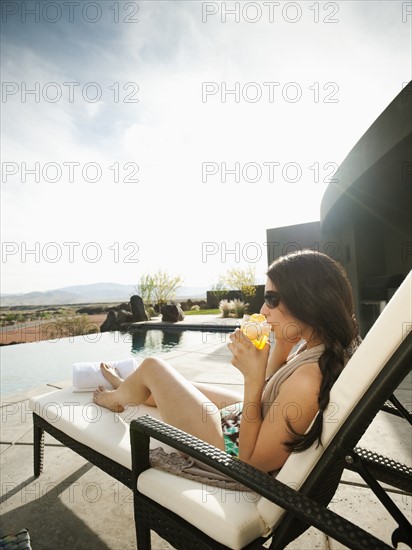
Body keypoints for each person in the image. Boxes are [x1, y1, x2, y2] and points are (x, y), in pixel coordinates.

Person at [93, 249, 361, 474]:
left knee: (153, 366)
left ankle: (115, 398)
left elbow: (249, 464)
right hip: (247, 419)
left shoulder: (308, 380)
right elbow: (275, 390)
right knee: (183, 385)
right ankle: (131, 387)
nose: (263, 309)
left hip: (229, 449)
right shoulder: (321, 348)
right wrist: (282, 347)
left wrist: (252, 378)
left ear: (307, 302)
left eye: (271, 298)